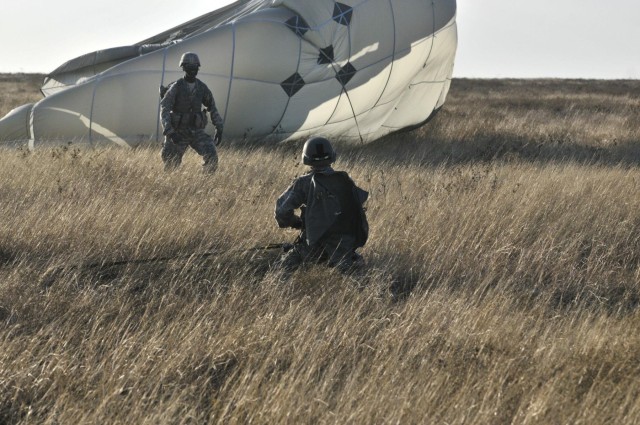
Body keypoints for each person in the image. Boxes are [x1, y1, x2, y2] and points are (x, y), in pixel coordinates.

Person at [274, 136, 369, 273]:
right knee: (353, 270)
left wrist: (296, 222)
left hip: (314, 243)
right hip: (344, 242)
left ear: (306, 158)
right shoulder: (344, 180)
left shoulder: (303, 183)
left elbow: (282, 212)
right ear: (331, 156)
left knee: (287, 263)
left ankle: (277, 290)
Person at [160, 52, 224, 173]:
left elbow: (212, 106)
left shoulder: (202, 87)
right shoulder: (176, 87)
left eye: (195, 66)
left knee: (212, 156)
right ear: (183, 67)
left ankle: (205, 186)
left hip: (196, 132)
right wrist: (170, 132)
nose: (193, 69)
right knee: (171, 165)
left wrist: (219, 127)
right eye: (189, 66)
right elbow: (165, 108)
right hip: (178, 132)